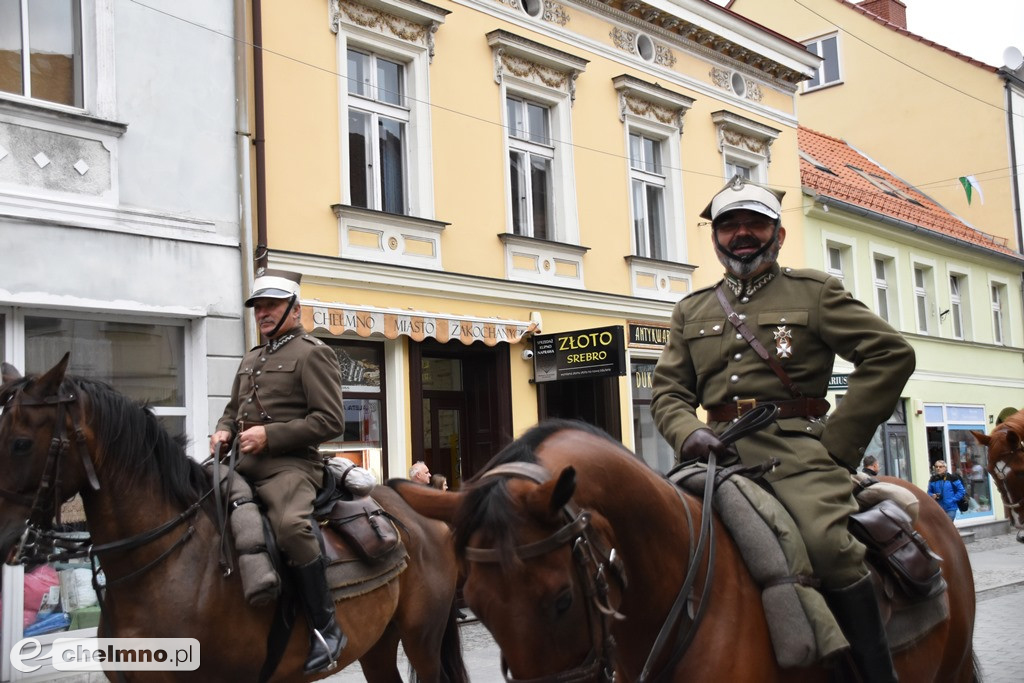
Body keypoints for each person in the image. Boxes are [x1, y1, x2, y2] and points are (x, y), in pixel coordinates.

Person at [651, 176, 915, 683]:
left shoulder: (814, 293)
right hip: (712, 454)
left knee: (829, 547)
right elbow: (667, 392)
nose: (742, 234)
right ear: (715, 238)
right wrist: (686, 432)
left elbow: (890, 354)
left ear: (778, 234)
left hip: (794, 452)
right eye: (730, 225)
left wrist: (837, 444)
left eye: (755, 223)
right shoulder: (692, 309)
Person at [209, 268, 347, 675]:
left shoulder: (312, 353)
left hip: (291, 466)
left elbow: (330, 421)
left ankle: (327, 628)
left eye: (270, 305)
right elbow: (234, 410)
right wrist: (222, 429)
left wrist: (269, 436)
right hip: (240, 464)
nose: (263, 313)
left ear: (294, 308)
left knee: (290, 527)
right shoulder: (252, 357)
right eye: (258, 306)